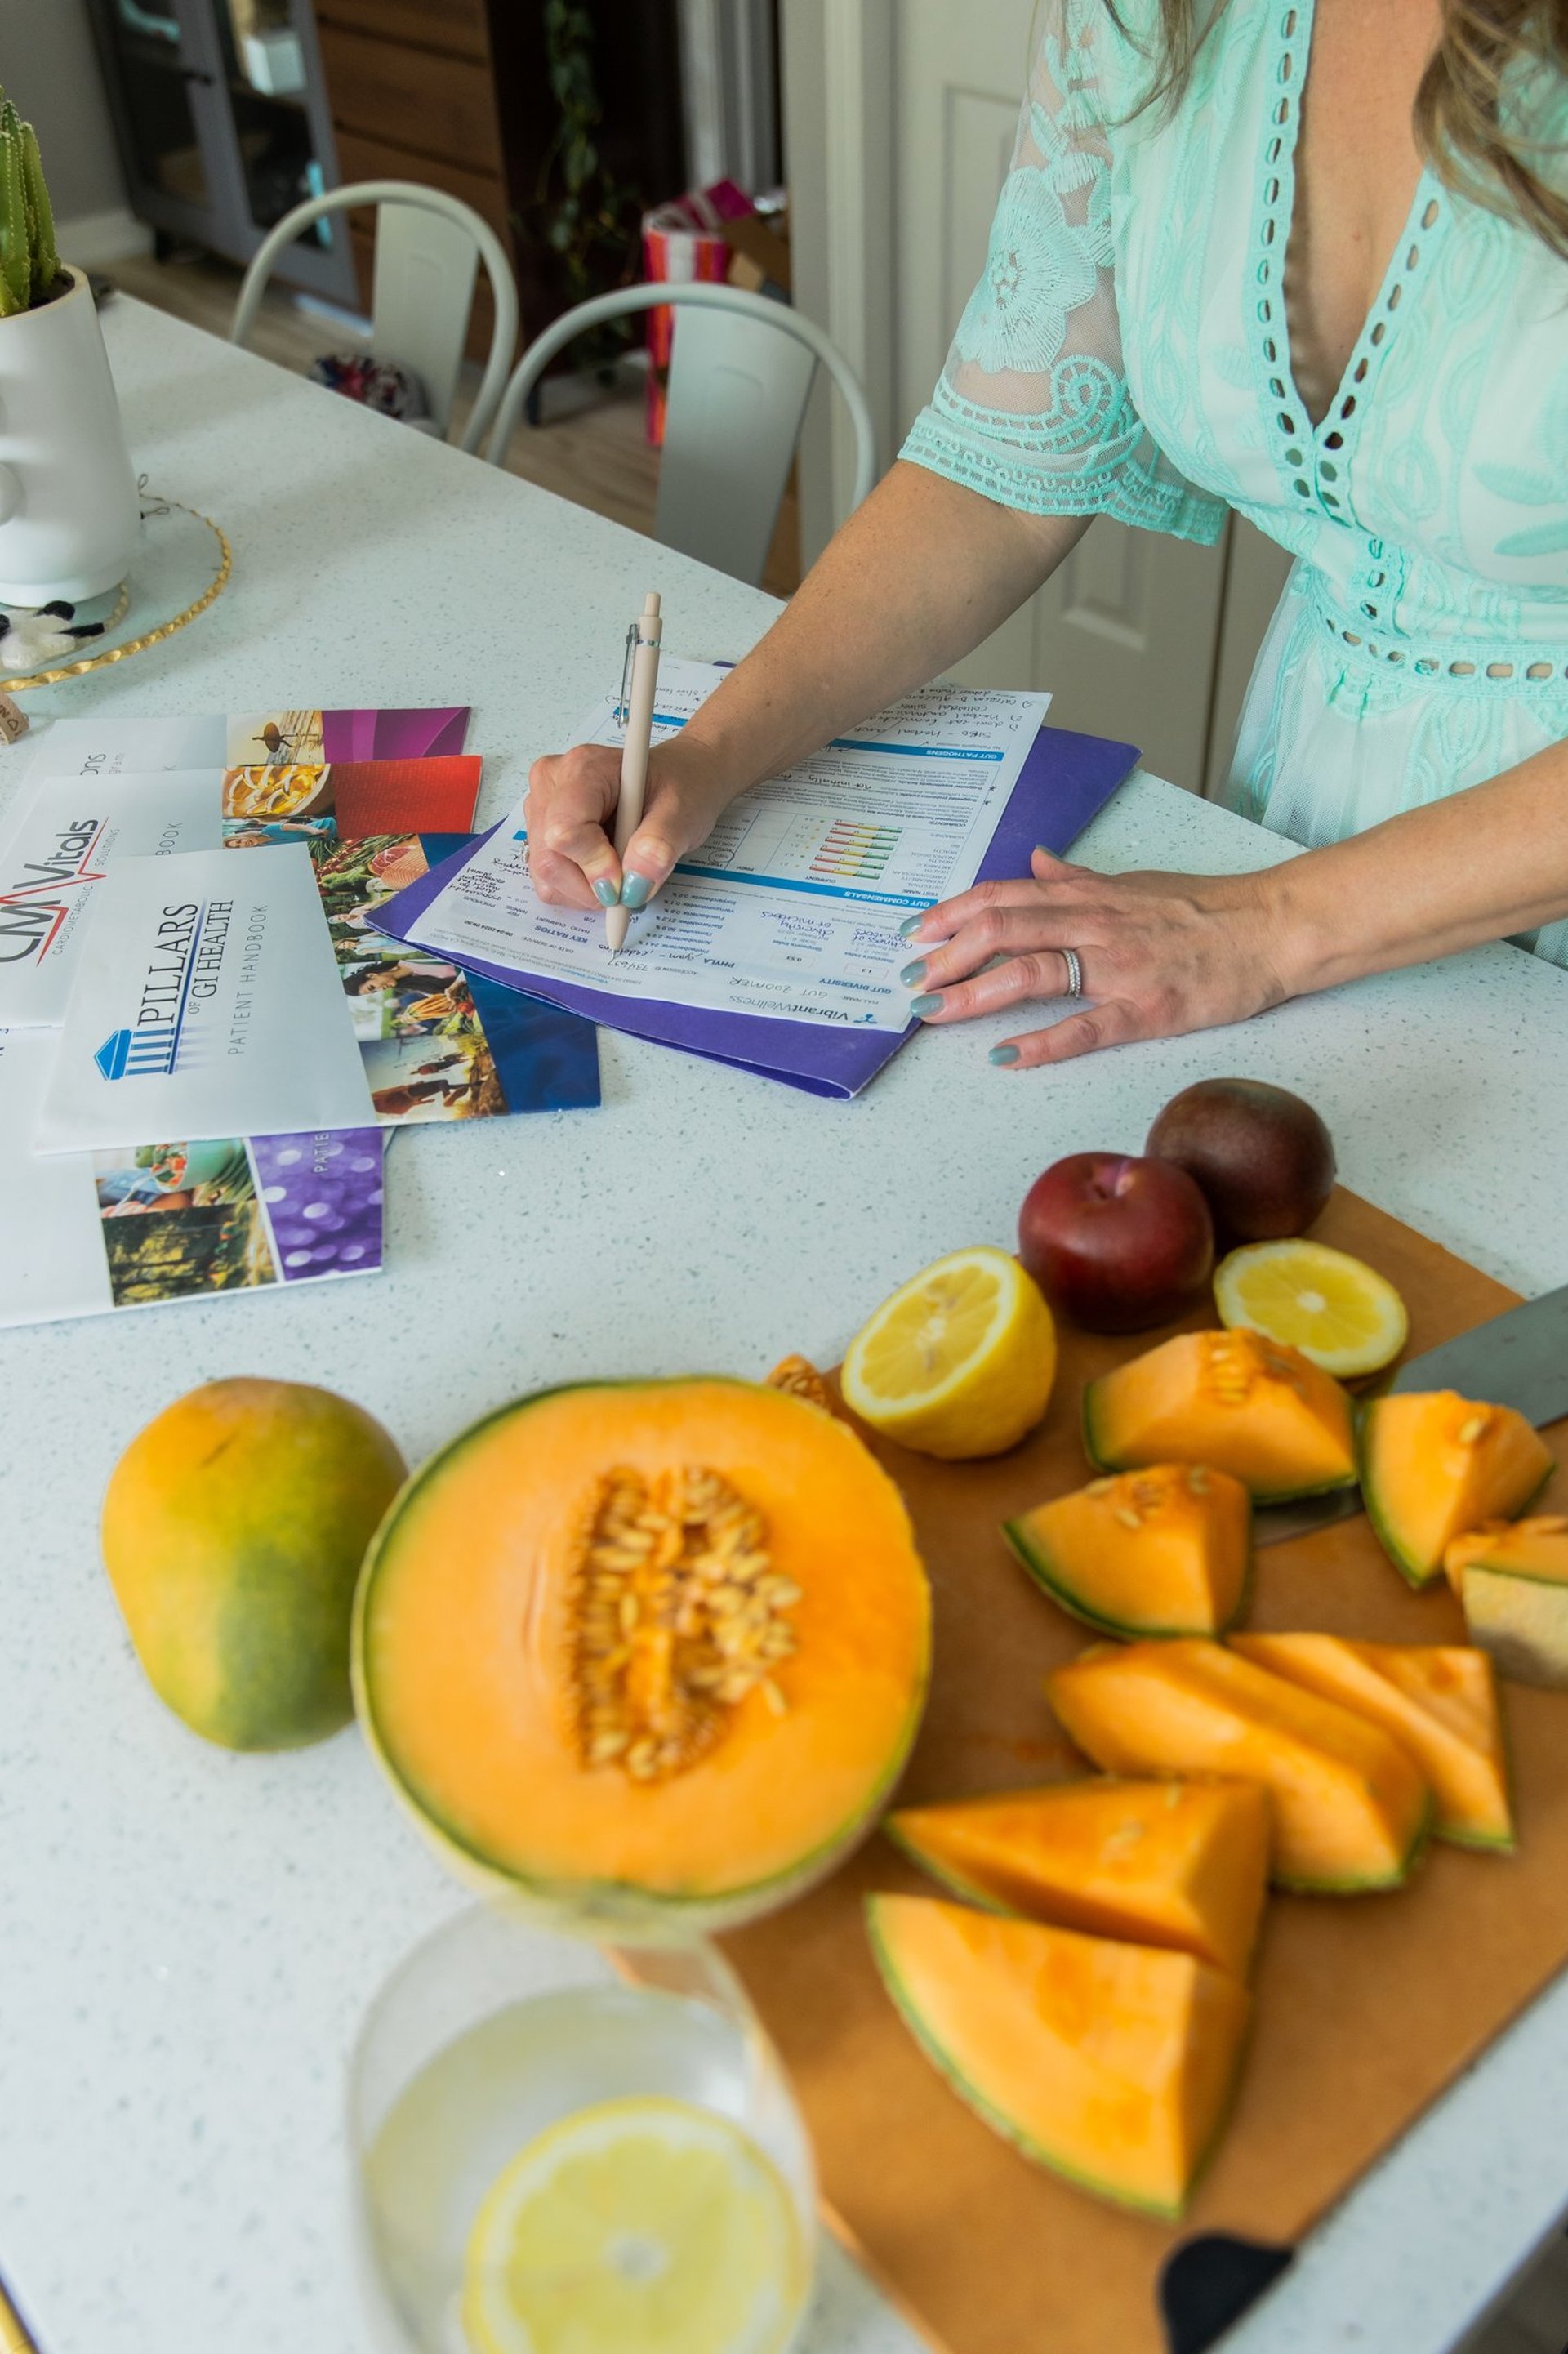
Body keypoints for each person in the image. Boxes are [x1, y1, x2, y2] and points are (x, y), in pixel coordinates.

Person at [526, 0, 1568, 1068]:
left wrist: (1268, 927)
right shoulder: (1147, 18)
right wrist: (707, 754)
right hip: (1294, 825)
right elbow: (998, 477)